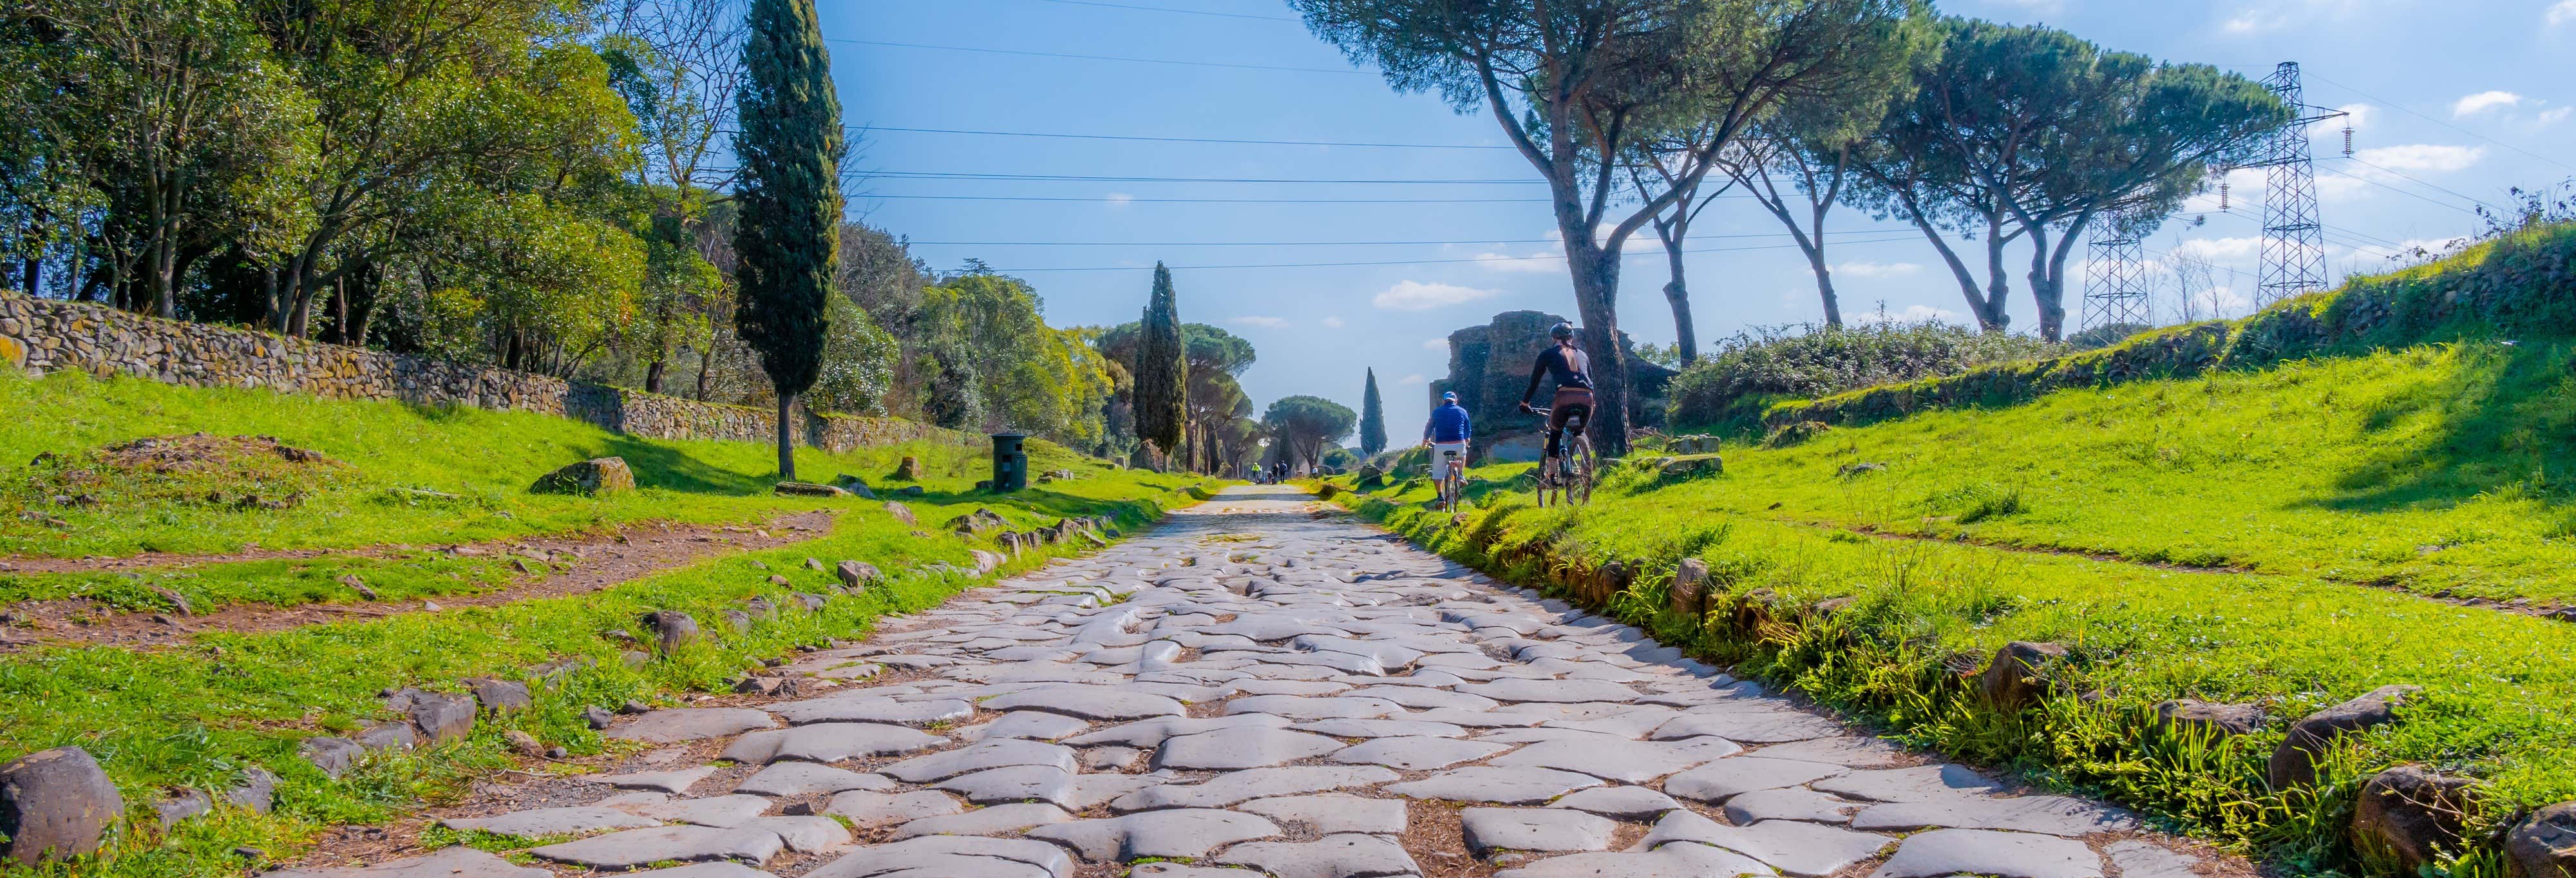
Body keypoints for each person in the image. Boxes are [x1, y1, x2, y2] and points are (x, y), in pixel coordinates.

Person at [1515, 321, 1594, 464]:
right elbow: (1591, 381)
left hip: (1564, 397)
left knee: (1556, 431)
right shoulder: (1583, 355)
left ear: (1553, 338)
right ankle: (1586, 465)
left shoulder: (1547, 354)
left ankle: (1551, 475)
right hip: (1588, 398)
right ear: (1572, 338)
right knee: (1580, 430)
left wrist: (1525, 403)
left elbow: (1534, 382)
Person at [1422, 391, 1472, 497]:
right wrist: (1467, 439)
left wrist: (1426, 439)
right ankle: (1461, 475)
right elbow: (1468, 429)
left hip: (1441, 446)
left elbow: (1429, 427)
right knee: (1462, 454)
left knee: (1437, 473)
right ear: (1456, 401)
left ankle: (1440, 497)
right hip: (1459, 444)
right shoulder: (1463, 411)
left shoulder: (1437, 412)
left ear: (1443, 401)